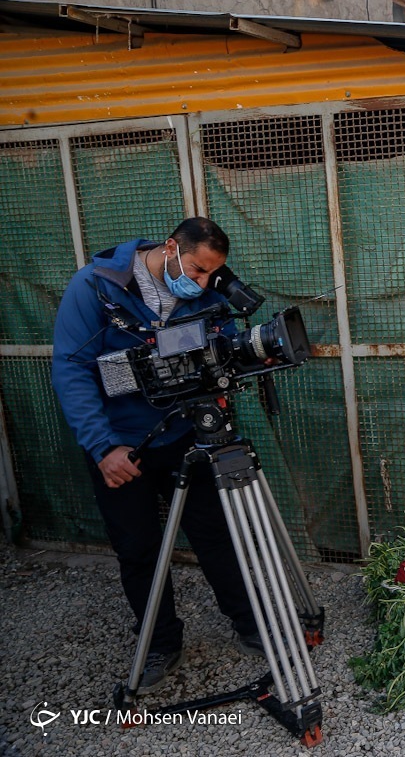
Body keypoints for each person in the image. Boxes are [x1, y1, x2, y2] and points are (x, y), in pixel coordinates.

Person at [51, 217, 264, 693]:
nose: (202, 282)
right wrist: (103, 447)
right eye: (197, 269)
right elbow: (71, 369)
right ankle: (160, 642)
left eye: (211, 274)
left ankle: (250, 624)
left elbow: (222, 346)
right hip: (122, 445)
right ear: (170, 248)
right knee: (138, 548)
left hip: (187, 433)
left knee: (216, 534)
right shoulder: (96, 287)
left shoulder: (208, 291)